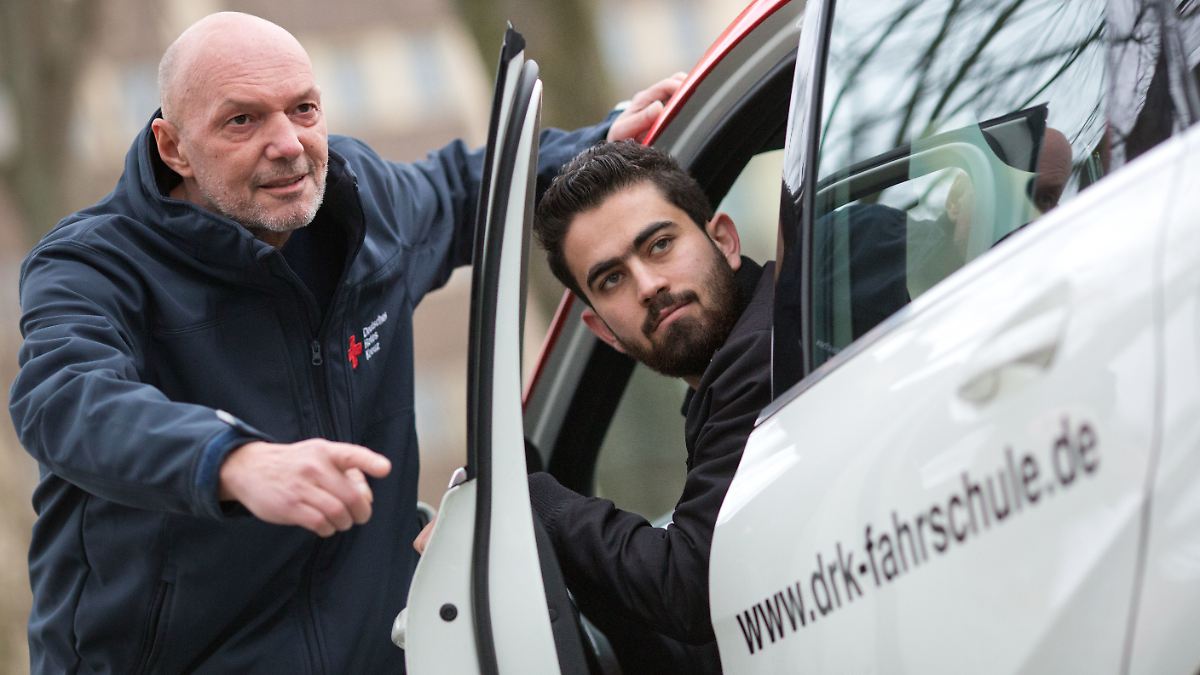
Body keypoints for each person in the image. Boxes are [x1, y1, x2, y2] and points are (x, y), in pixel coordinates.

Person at [8, 12, 681, 673]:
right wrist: (232, 461)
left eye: (303, 109)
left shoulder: (362, 205)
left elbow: (461, 190)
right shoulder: (92, 265)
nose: (287, 144)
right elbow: (64, 398)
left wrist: (599, 140)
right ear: (173, 147)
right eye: (242, 120)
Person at [531, 141, 773, 672]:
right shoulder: (729, 378)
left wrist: (537, 503)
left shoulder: (769, 350)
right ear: (604, 332)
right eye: (612, 279)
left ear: (724, 240)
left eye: (660, 244)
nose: (648, 286)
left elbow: (694, 587)